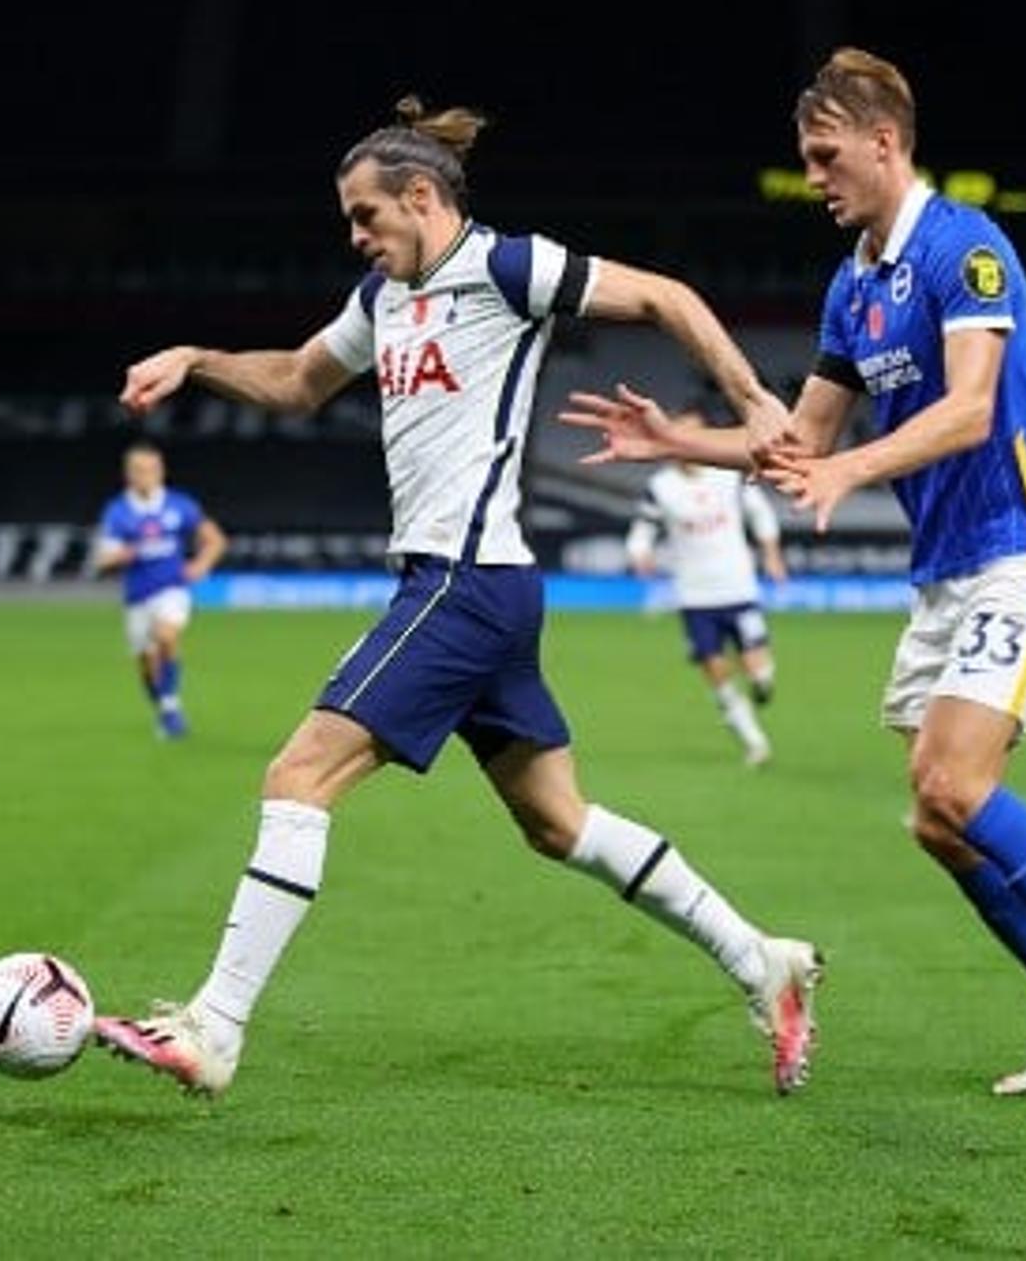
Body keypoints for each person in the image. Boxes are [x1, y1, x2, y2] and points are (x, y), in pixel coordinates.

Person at [93, 98, 823, 1100]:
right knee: (558, 822)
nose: (355, 237)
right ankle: (761, 961)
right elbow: (299, 381)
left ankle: (214, 1027)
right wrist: (196, 358)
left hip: (464, 584)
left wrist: (752, 403)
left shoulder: (507, 268)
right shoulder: (382, 296)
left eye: (366, 216)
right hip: (483, 587)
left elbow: (667, 297)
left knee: (299, 774)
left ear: (422, 197)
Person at [565, 48, 1026, 1114]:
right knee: (936, 820)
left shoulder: (967, 248)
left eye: (823, 154)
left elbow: (972, 407)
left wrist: (847, 469)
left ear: (884, 141)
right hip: (945, 573)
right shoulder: (855, 283)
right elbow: (802, 439)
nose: (811, 176)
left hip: (1025, 548)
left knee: (955, 786)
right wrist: (678, 442)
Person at [625, 407, 790, 768]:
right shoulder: (661, 487)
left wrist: (772, 555)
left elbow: (760, 514)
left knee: (757, 668)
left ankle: (762, 682)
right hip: (694, 596)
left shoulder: (728, 476)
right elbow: (643, 530)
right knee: (716, 673)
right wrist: (640, 555)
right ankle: (754, 742)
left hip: (739, 588)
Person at [92, 441, 227, 739]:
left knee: (166, 636)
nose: (146, 475)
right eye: (139, 470)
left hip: (172, 589)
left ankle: (170, 705)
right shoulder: (118, 511)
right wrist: (120, 556)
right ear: (128, 474)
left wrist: (201, 564)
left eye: (152, 469)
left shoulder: (179, 505)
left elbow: (215, 539)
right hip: (137, 596)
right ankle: (166, 707)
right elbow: (102, 559)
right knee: (146, 664)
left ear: (161, 471)